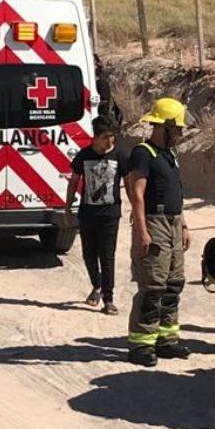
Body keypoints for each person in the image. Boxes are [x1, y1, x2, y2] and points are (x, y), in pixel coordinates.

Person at [125, 97, 191, 368]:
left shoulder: (169, 155)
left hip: (174, 223)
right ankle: (142, 344)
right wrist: (142, 232)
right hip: (154, 224)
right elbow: (137, 195)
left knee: (173, 284)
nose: (181, 134)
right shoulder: (143, 153)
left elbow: (177, 193)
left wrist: (184, 225)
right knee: (153, 286)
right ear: (163, 126)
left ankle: (167, 340)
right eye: (177, 129)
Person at [65, 115, 127, 316]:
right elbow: (73, 182)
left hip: (110, 215)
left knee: (107, 256)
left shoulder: (119, 156)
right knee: (89, 254)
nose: (110, 141)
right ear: (96, 138)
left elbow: (133, 182)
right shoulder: (83, 156)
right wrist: (67, 208)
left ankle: (108, 299)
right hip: (87, 214)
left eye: (112, 137)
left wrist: (137, 207)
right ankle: (96, 285)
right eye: (106, 137)